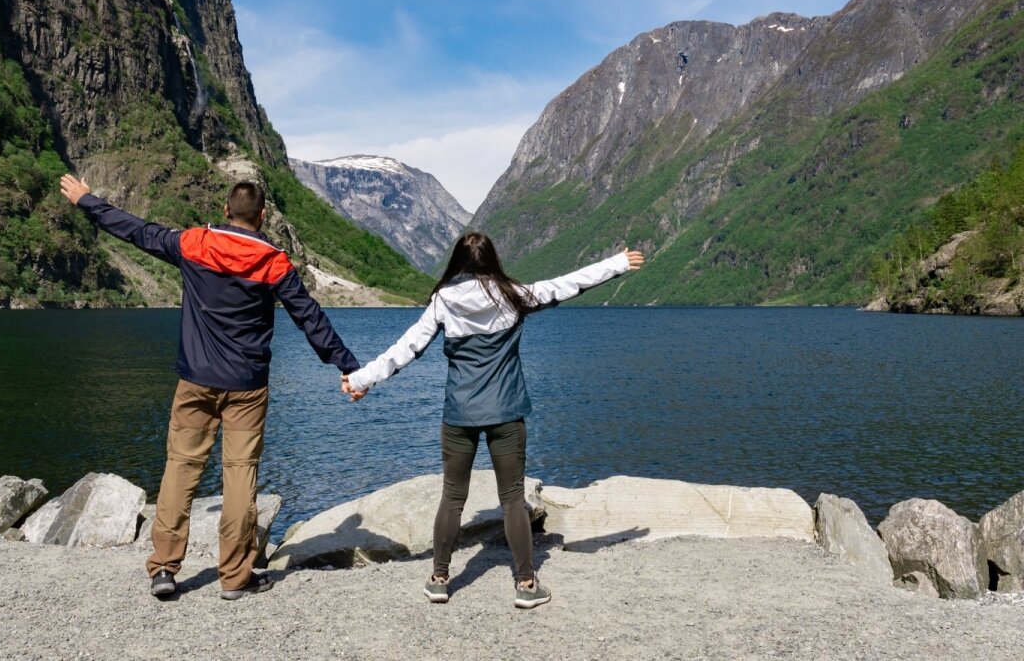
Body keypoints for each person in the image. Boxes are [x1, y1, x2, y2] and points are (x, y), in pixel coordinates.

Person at [59, 174, 360, 600]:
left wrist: (87, 201)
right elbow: (309, 317)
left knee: (180, 469)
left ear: (225, 210)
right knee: (240, 477)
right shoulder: (274, 262)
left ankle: (164, 569)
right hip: (247, 388)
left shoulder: (194, 244)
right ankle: (235, 577)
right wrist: (345, 366)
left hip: (195, 381)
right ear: (262, 215)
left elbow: (135, 230)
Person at [341, 232, 644, 609]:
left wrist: (359, 380)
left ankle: (439, 578)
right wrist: (616, 264)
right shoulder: (515, 294)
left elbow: (407, 348)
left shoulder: (443, 301)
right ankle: (526, 583)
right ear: (492, 260)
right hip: (505, 412)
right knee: (513, 499)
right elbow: (568, 285)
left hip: (459, 415)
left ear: (457, 264)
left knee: (452, 497)